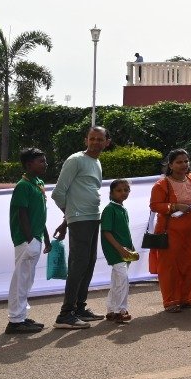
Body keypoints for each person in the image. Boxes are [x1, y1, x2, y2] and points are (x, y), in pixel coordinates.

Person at [52, 126, 108, 328]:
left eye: (99, 139)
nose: (95, 142)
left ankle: (79, 308)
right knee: (79, 264)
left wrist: (66, 220)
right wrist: (71, 216)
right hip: (80, 220)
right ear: (86, 140)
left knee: (88, 263)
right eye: (92, 138)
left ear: (106, 143)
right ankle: (65, 314)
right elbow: (58, 193)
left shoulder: (96, 162)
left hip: (93, 218)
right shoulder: (75, 160)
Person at [151, 150, 191, 314]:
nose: (183, 165)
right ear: (170, 165)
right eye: (179, 162)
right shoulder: (162, 184)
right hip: (171, 231)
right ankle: (170, 301)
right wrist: (175, 206)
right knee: (170, 266)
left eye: (185, 161)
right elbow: (155, 205)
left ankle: (186, 298)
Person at [6, 148, 51, 335]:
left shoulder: (38, 182)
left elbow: (39, 214)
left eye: (44, 160)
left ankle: (21, 316)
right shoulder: (23, 186)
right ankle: (15, 321)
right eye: (41, 161)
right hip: (26, 240)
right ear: (29, 164)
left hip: (36, 238)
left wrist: (46, 238)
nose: (45, 164)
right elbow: (22, 214)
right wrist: (30, 239)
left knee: (27, 280)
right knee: (21, 280)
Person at [100, 179, 137, 323]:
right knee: (122, 280)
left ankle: (111, 310)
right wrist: (120, 248)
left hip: (124, 251)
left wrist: (130, 247)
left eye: (126, 190)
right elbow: (106, 232)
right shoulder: (110, 209)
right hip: (115, 251)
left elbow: (124, 232)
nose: (123, 193)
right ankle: (120, 311)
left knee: (117, 281)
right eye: (119, 190)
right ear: (111, 193)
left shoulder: (122, 209)